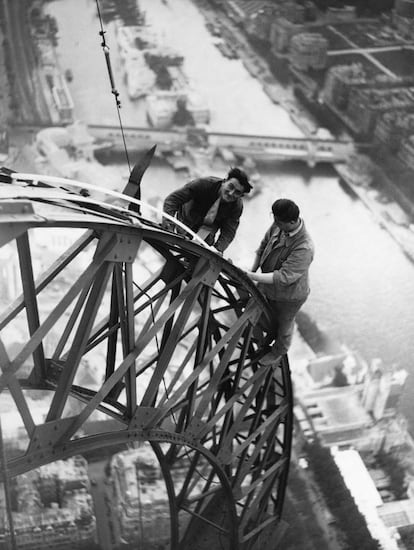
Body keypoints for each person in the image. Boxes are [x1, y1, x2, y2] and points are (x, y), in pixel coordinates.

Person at [244, 198, 314, 366]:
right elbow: (262, 247)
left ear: (292, 222)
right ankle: (250, 333)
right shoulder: (278, 225)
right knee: (254, 307)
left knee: (285, 323)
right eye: (274, 219)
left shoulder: (304, 247)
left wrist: (251, 277)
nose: (275, 224)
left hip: (290, 295)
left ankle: (278, 351)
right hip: (266, 282)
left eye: (279, 221)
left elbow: (283, 277)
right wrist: (252, 271)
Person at [162, 167, 252, 253]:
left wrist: (217, 250)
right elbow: (172, 201)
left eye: (237, 192)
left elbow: (228, 232)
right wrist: (169, 227)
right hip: (186, 221)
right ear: (224, 182)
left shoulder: (236, 207)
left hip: (207, 233)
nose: (231, 193)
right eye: (230, 186)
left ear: (241, 196)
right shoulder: (203, 184)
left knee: (198, 256)